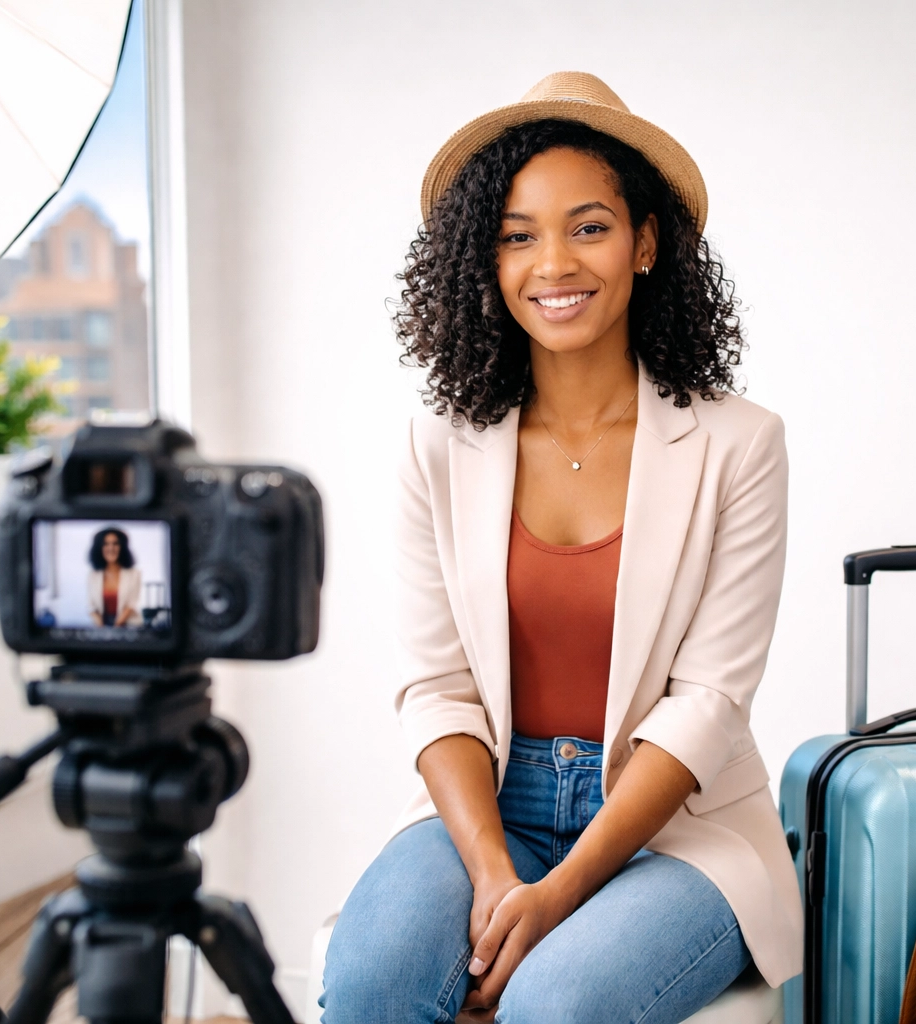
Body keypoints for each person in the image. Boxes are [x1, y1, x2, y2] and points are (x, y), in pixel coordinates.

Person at [321, 72, 801, 1024]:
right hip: (495, 798)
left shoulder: (741, 444)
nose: (554, 262)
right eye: (516, 234)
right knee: (374, 986)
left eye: (588, 226)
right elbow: (438, 688)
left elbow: (706, 707)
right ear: (484, 262)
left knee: (555, 1005)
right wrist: (496, 872)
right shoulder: (439, 445)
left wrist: (561, 894)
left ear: (645, 243)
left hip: (680, 829)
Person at [86, 526, 142, 627]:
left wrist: (116, 627)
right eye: (105, 544)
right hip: (101, 627)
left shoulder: (135, 573)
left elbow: (131, 604)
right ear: (99, 548)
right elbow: (91, 606)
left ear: (122, 547)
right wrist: (101, 627)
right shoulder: (93, 575)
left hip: (129, 625)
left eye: (115, 544)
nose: (111, 548)